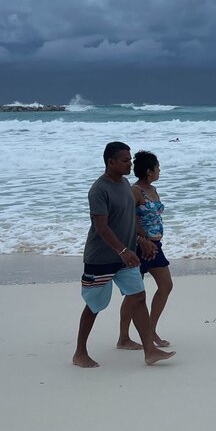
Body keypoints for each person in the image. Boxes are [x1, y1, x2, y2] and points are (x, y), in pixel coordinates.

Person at [72, 141, 174, 368]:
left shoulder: (125, 184)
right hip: (101, 257)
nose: (130, 164)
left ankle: (150, 351)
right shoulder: (99, 190)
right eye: (125, 160)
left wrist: (141, 240)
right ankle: (79, 353)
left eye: (130, 160)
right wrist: (122, 250)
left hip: (126, 256)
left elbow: (130, 220)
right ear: (111, 162)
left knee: (138, 297)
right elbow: (101, 227)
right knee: (94, 305)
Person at [117, 150, 174, 350]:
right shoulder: (135, 191)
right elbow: (129, 218)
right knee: (134, 294)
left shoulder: (153, 189)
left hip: (155, 246)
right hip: (140, 246)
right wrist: (141, 239)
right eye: (157, 167)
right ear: (149, 171)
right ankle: (123, 337)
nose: (159, 170)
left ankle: (150, 330)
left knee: (166, 285)